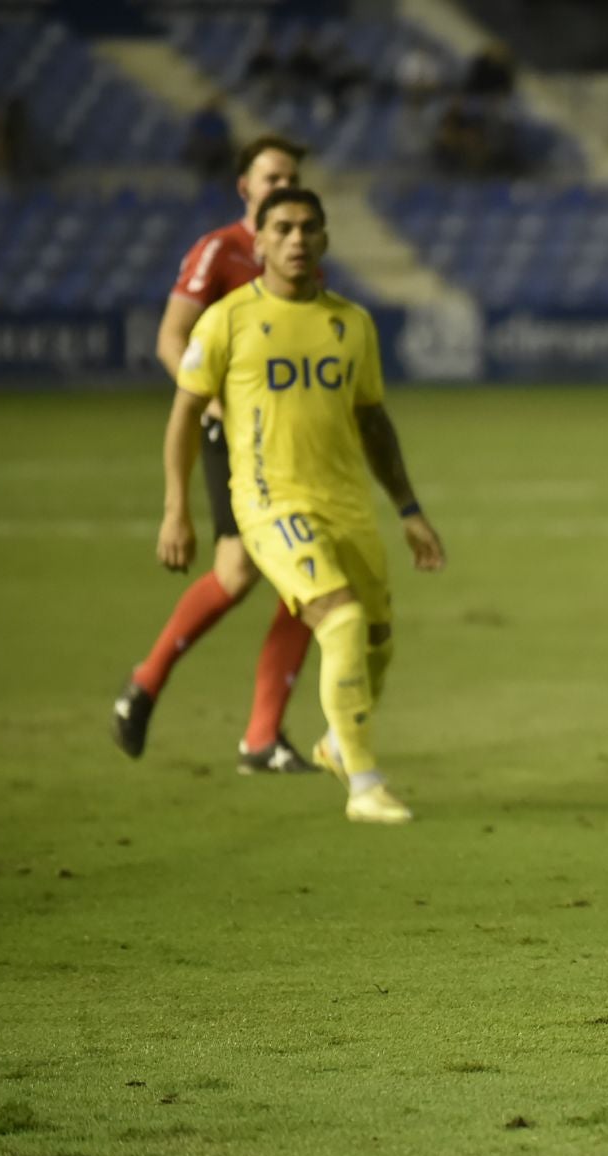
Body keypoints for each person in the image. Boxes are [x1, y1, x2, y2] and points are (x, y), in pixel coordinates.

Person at [157, 188, 446, 824]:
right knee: (338, 623)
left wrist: (409, 509)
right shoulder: (227, 321)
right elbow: (182, 417)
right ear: (256, 242)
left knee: (376, 644)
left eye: (309, 228)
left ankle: (337, 743)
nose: (296, 239)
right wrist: (177, 508)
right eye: (282, 228)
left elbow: (374, 421)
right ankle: (365, 785)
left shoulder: (351, 324)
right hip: (268, 505)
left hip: (347, 506)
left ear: (324, 240)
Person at [113, 136, 321, 773]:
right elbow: (171, 339)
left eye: (289, 175)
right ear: (245, 187)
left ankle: (248, 732)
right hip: (230, 435)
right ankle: (157, 689)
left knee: (292, 575)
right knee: (274, 573)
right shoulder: (220, 251)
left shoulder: (302, 259)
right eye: (269, 176)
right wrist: (212, 402)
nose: (280, 184)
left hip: (288, 439)